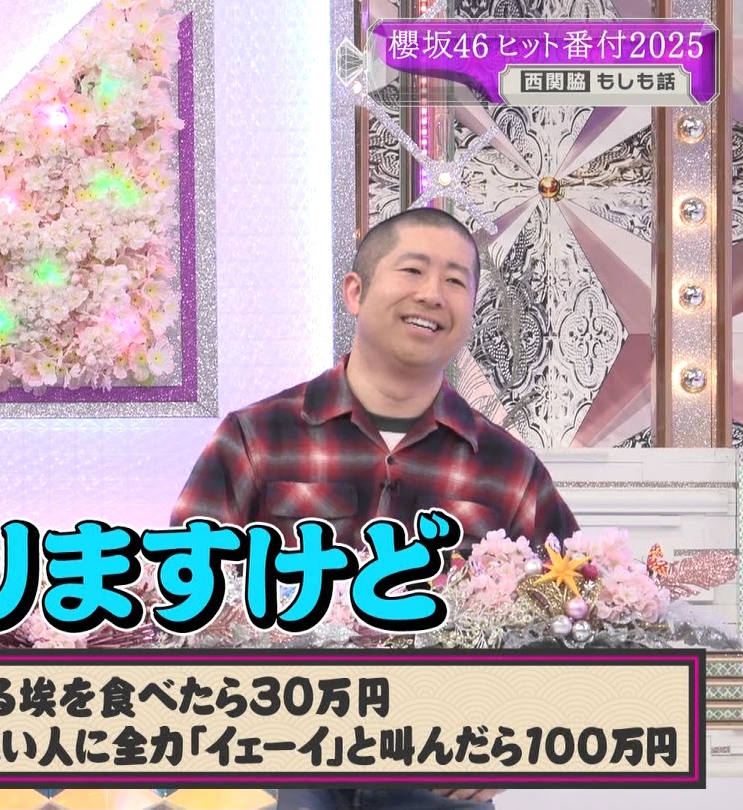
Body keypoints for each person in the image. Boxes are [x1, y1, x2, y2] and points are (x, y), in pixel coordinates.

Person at [170, 207, 580, 810]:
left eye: (455, 280)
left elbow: (577, 617)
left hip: (440, 776)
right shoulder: (256, 437)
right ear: (355, 292)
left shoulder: (508, 466)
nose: (432, 293)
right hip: (280, 766)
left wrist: (520, 738)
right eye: (412, 270)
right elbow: (182, 596)